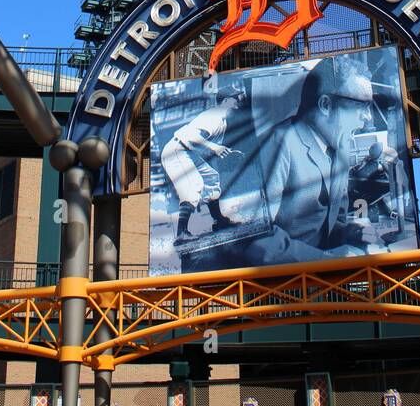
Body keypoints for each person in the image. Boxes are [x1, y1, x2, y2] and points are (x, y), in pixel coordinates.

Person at [250, 64, 381, 263]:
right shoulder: (278, 143)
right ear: (326, 105)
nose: (368, 118)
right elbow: (258, 238)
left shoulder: (341, 148)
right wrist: (325, 259)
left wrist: (353, 233)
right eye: (361, 105)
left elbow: (335, 223)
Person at [160, 89, 244, 246]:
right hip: (177, 150)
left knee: (211, 178)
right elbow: (190, 136)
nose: (238, 100)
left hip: (188, 151)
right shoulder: (214, 116)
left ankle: (219, 221)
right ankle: (181, 234)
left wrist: (225, 151)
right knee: (193, 186)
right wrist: (214, 147)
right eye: (235, 98)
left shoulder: (222, 119)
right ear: (225, 100)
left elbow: (206, 146)